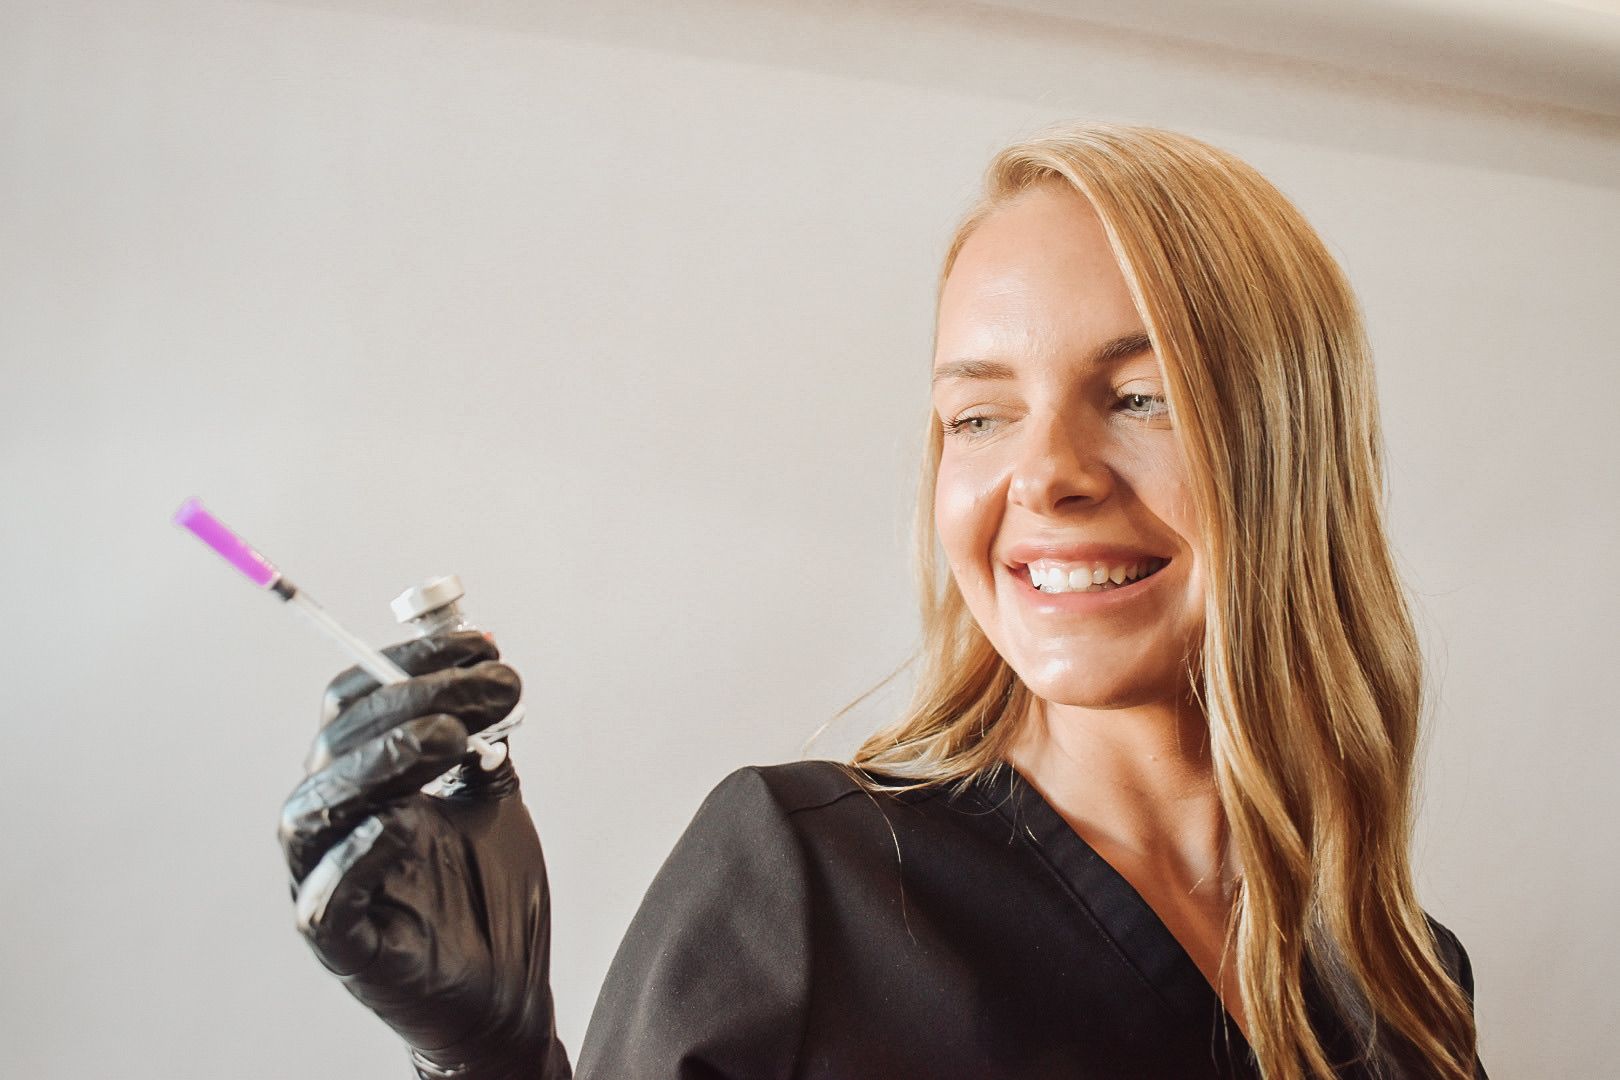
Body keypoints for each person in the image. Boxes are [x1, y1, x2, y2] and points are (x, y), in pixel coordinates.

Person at [278, 121, 1486, 1080]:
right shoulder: (804, 886)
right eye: (980, 415)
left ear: (1297, 448)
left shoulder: (1402, 980)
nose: (1047, 474)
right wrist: (488, 1065)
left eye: (1140, 395)